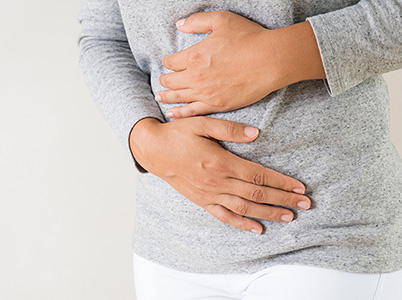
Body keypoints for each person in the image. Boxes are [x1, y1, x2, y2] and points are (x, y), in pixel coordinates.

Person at [77, 0, 402, 299]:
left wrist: (276, 56)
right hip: (172, 243)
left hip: (328, 231)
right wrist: (144, 141)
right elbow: (103, 36)